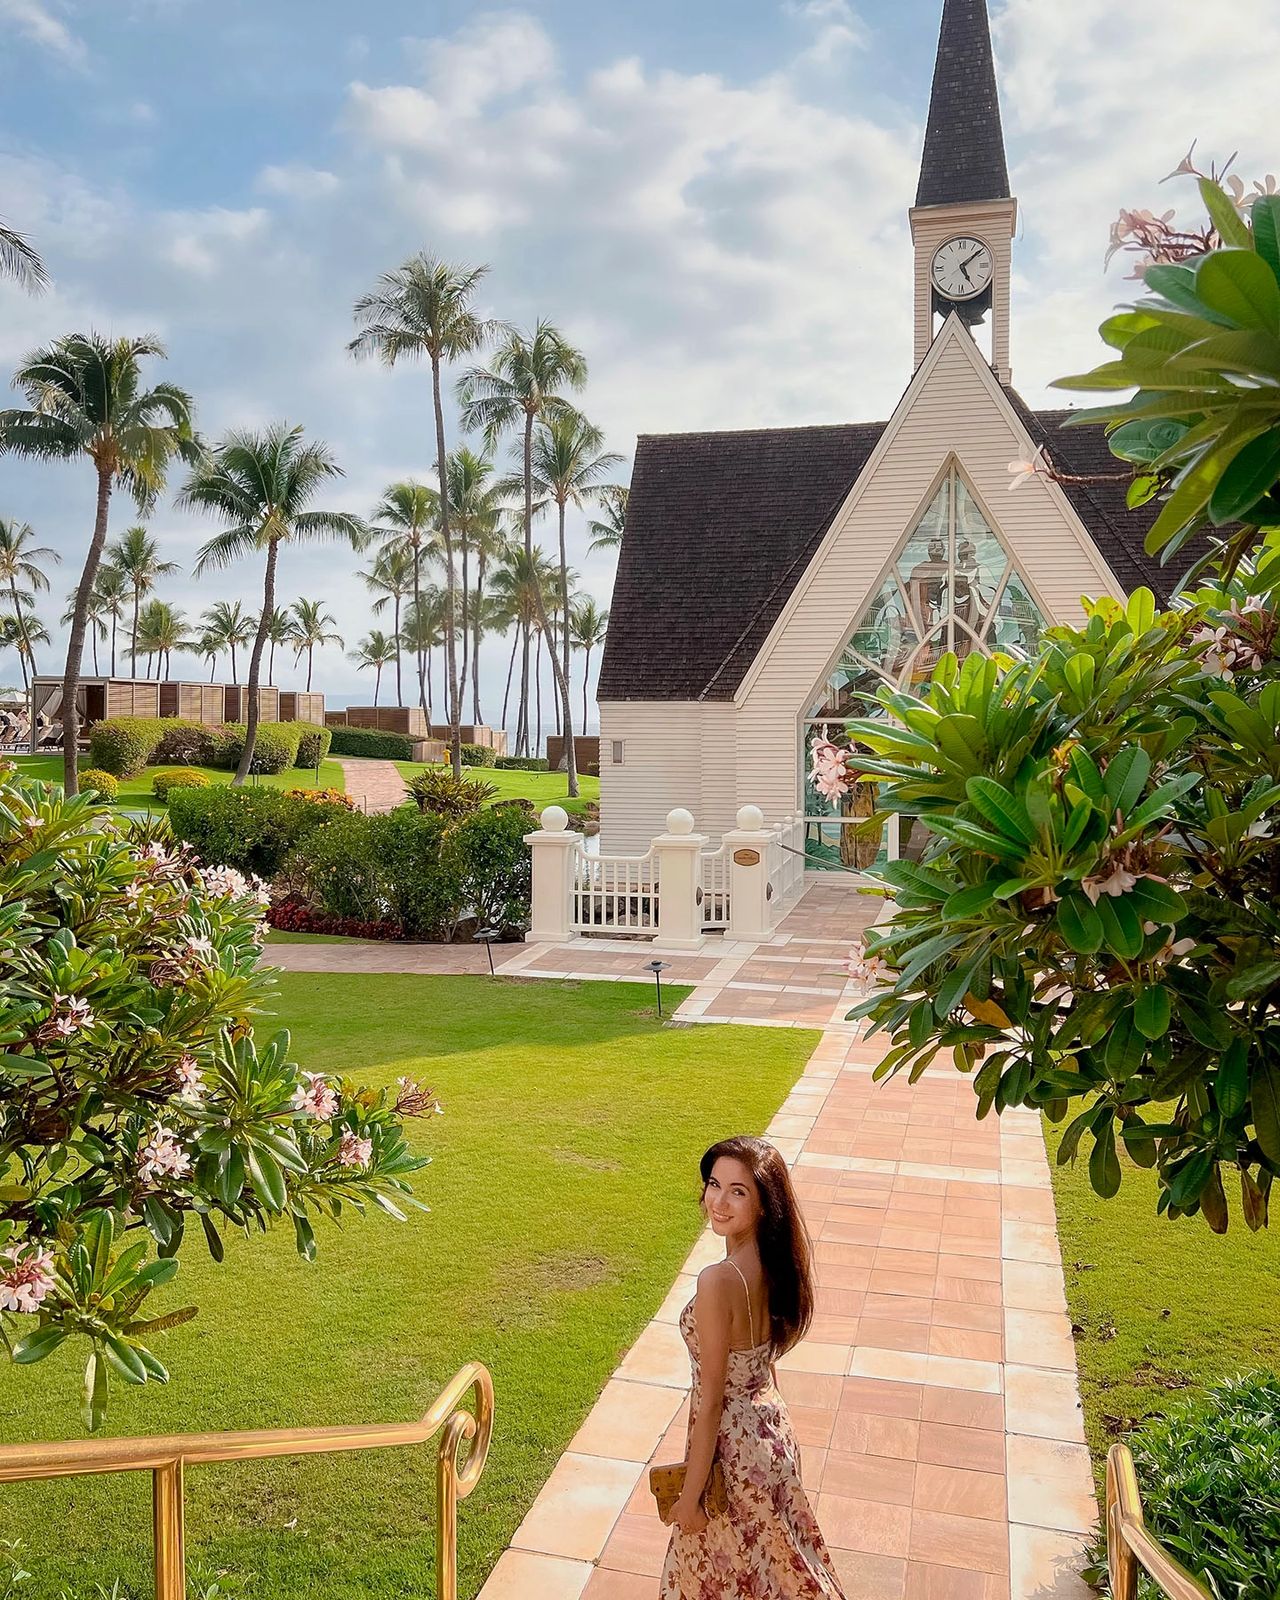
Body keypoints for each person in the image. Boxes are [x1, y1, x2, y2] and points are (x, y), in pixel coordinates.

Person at [658, 1135, 847, 1599]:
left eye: (738, 1191)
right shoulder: (773, 1263)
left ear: (764, 1203)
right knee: (782, 1573)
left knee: (709, 1579)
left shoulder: (718, 1281)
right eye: (713, 1184)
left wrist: (690, 1498)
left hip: (734, 1452)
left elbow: (711, 1403)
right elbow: (765, 1360)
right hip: (771, 1433)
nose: (718, 1201)